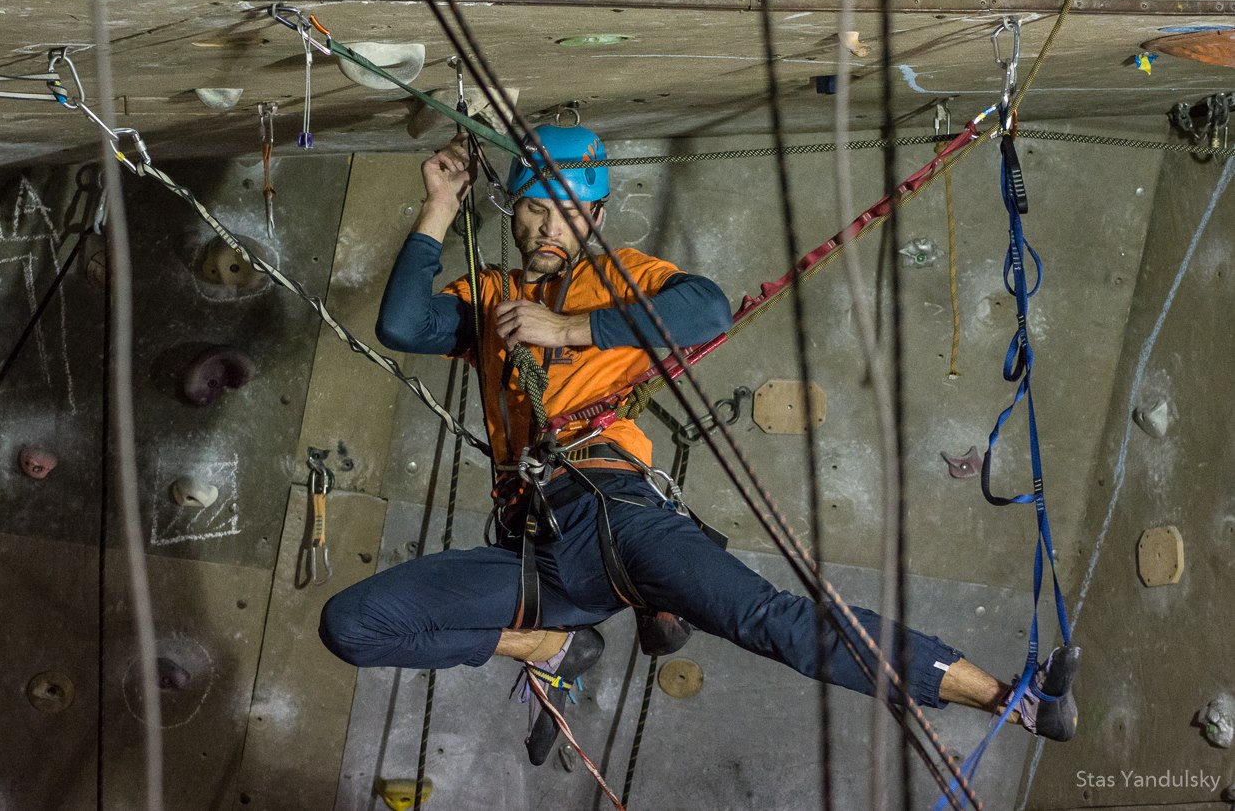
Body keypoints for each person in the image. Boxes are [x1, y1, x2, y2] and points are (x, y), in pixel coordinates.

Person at [319, 124, 1079, 768]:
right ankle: (546, 645)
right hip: (538, 552)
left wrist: (568, 329)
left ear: (597, 220)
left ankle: (1006, 695)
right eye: (535, 209)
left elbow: (707, 308)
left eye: (570, 215)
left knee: (771, 620)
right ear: (511, 211)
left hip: (619, 513)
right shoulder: (490, 296)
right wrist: (438, 208)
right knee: (350, 626)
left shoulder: (623, 278)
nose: (551, 228)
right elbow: (404, 327)